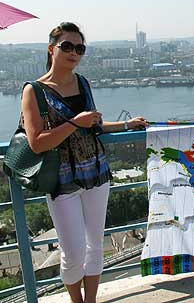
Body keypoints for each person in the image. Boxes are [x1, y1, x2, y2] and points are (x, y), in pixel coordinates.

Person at [21, 22, 148, 303]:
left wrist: (126, 124)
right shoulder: (34, 91)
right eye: (66, 46)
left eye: (79, 48)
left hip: (96, 174)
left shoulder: (83, 83)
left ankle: (90, 301)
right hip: (62, 181)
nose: (73, 52)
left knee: (95, 248)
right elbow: (37, 142)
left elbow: (94, 126)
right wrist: (73, 123)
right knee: (74, 252)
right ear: (51, 49)